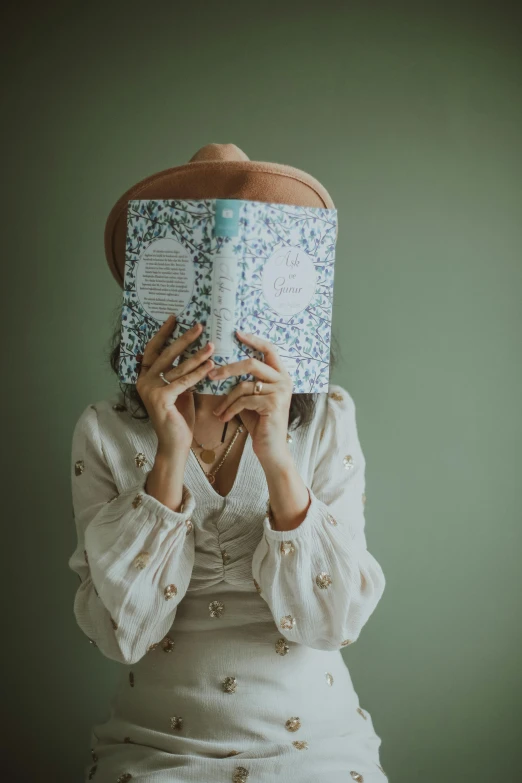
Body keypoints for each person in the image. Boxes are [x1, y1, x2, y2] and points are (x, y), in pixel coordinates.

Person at [69, 144, 388, 783]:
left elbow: (335, 624)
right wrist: (169, 451)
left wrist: (276, 457)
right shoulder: (103, 432)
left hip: (314, 749)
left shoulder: (327, 418)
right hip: (156, 748)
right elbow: (119, 634)